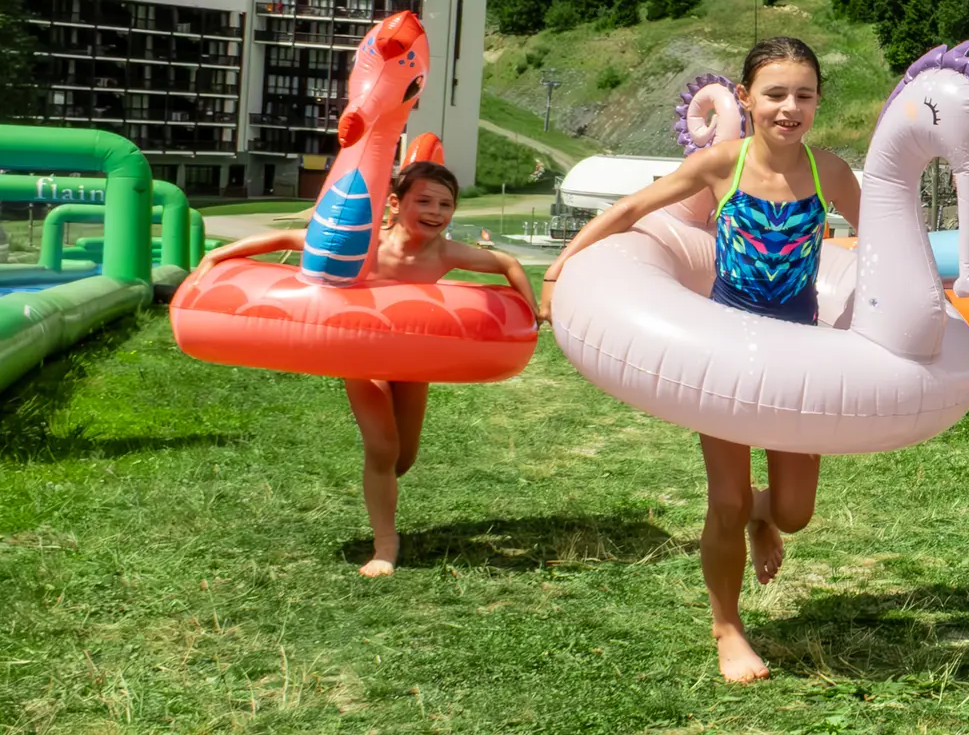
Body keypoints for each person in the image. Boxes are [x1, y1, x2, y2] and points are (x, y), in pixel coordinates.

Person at [539, 36, 862, 684]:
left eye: (804, 95)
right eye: (774, 94)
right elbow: (630, 209)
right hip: (726, 349)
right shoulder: (723, 165)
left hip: (798, 351)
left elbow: (884, 239)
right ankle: (728, 629)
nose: (789, 107)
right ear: (746, 98)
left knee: (794, 511)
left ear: (819, 101)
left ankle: (763, 517)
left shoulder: (830, 172)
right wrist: (555, 272)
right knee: (725, 500)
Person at [198, 161, 536, 578]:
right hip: (361, 354)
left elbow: (506, 264)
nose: (435, 211)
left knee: (403, 459)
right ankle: (385, 547)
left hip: (414, 359)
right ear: (395, 203)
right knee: (382, 448)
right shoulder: (364, 244)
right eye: (424, 201)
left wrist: (534, 309)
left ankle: (381, 484)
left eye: (446, 204)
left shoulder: (445, 252)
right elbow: (290, 237)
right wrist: (218, 253)